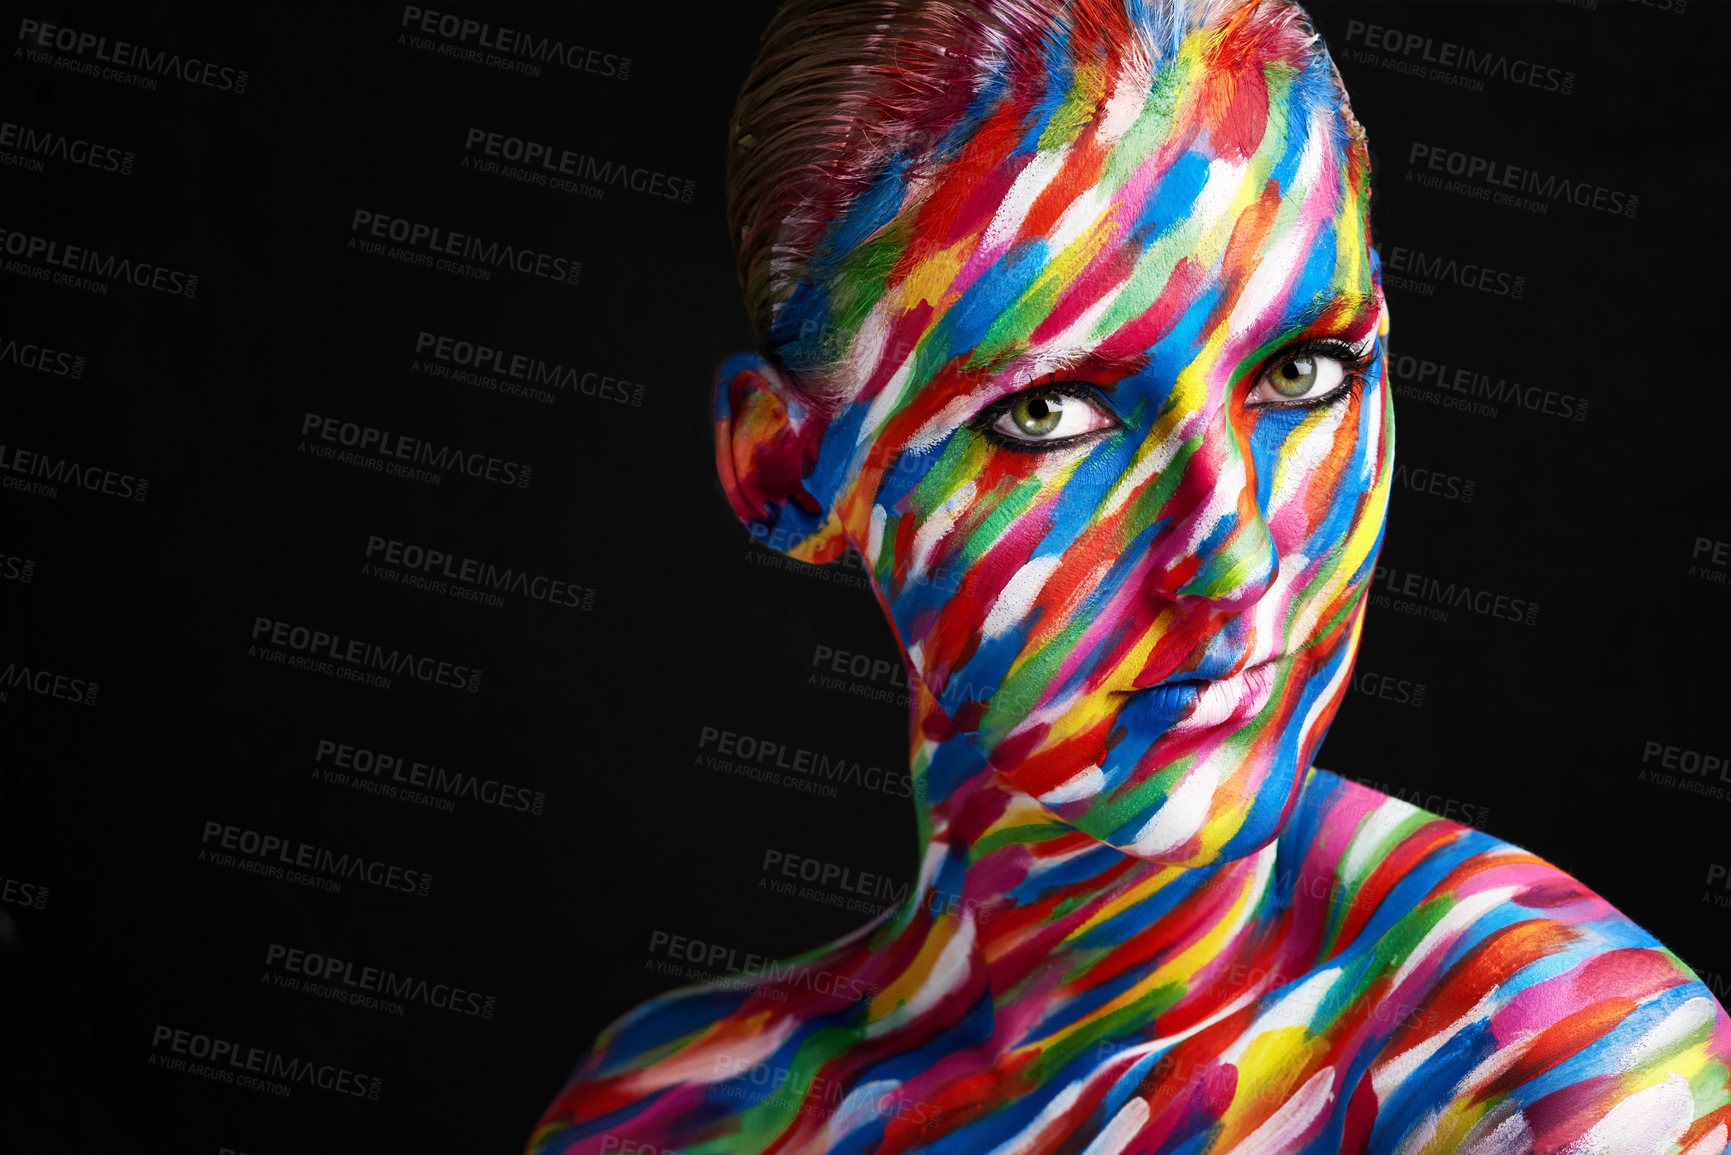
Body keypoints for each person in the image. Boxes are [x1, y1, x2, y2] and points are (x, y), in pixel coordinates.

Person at [529, 0, 1731, 1151]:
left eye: (1305, 374)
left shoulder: (1564, 1081)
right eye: (1052, 414)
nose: (1236, 556)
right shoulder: (670, 1117)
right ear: (785, 467)